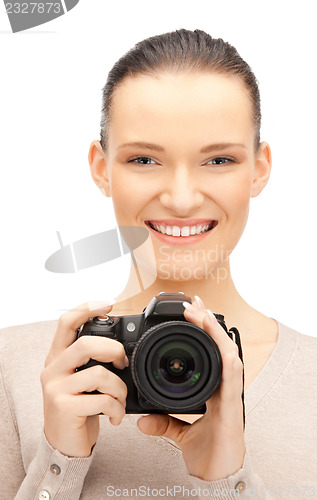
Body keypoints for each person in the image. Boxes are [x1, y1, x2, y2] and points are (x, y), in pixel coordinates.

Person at [0, 28, 316, 500]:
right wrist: (58, 464)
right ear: (102, 168)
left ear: (259, 168)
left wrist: (227, 481)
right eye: (145, 159)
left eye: (219, 160)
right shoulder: (15, 368)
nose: (182, 199)